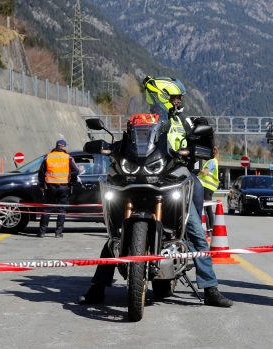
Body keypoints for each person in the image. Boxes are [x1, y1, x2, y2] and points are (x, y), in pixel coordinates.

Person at [78, 76, 233, 308]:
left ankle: (210, 288)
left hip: (175, 176)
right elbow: (127, 143)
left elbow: (203, 144)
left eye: (179, 98)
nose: (179, 101)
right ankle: (97, 288)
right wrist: (111, 148)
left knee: (196, 231)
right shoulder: (139, 121)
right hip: (141, 175)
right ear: (163, 96)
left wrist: (194, 150)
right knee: (116, 233)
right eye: (175, 97)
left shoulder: (183, 122)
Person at [37, 139, 79, 238]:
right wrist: (71, 181)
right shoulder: (68, 157)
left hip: (50, 187)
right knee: (61, 210)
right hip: (63, 186)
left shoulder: (48, 157)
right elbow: (76, 170)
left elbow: (41, 173)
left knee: (47, 210)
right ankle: (58, 232)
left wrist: (42, 184)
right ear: (64, 147)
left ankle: (42, 232)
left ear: (56, 146)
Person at [198, 146, 220, 231]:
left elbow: (205, 172)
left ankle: (208, 228)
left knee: (205, 208)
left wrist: (199, 169)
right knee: (209, 208)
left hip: (206, 187)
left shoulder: (212, 161)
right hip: (210, 188)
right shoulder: (214, 161)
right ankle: (211, 228)